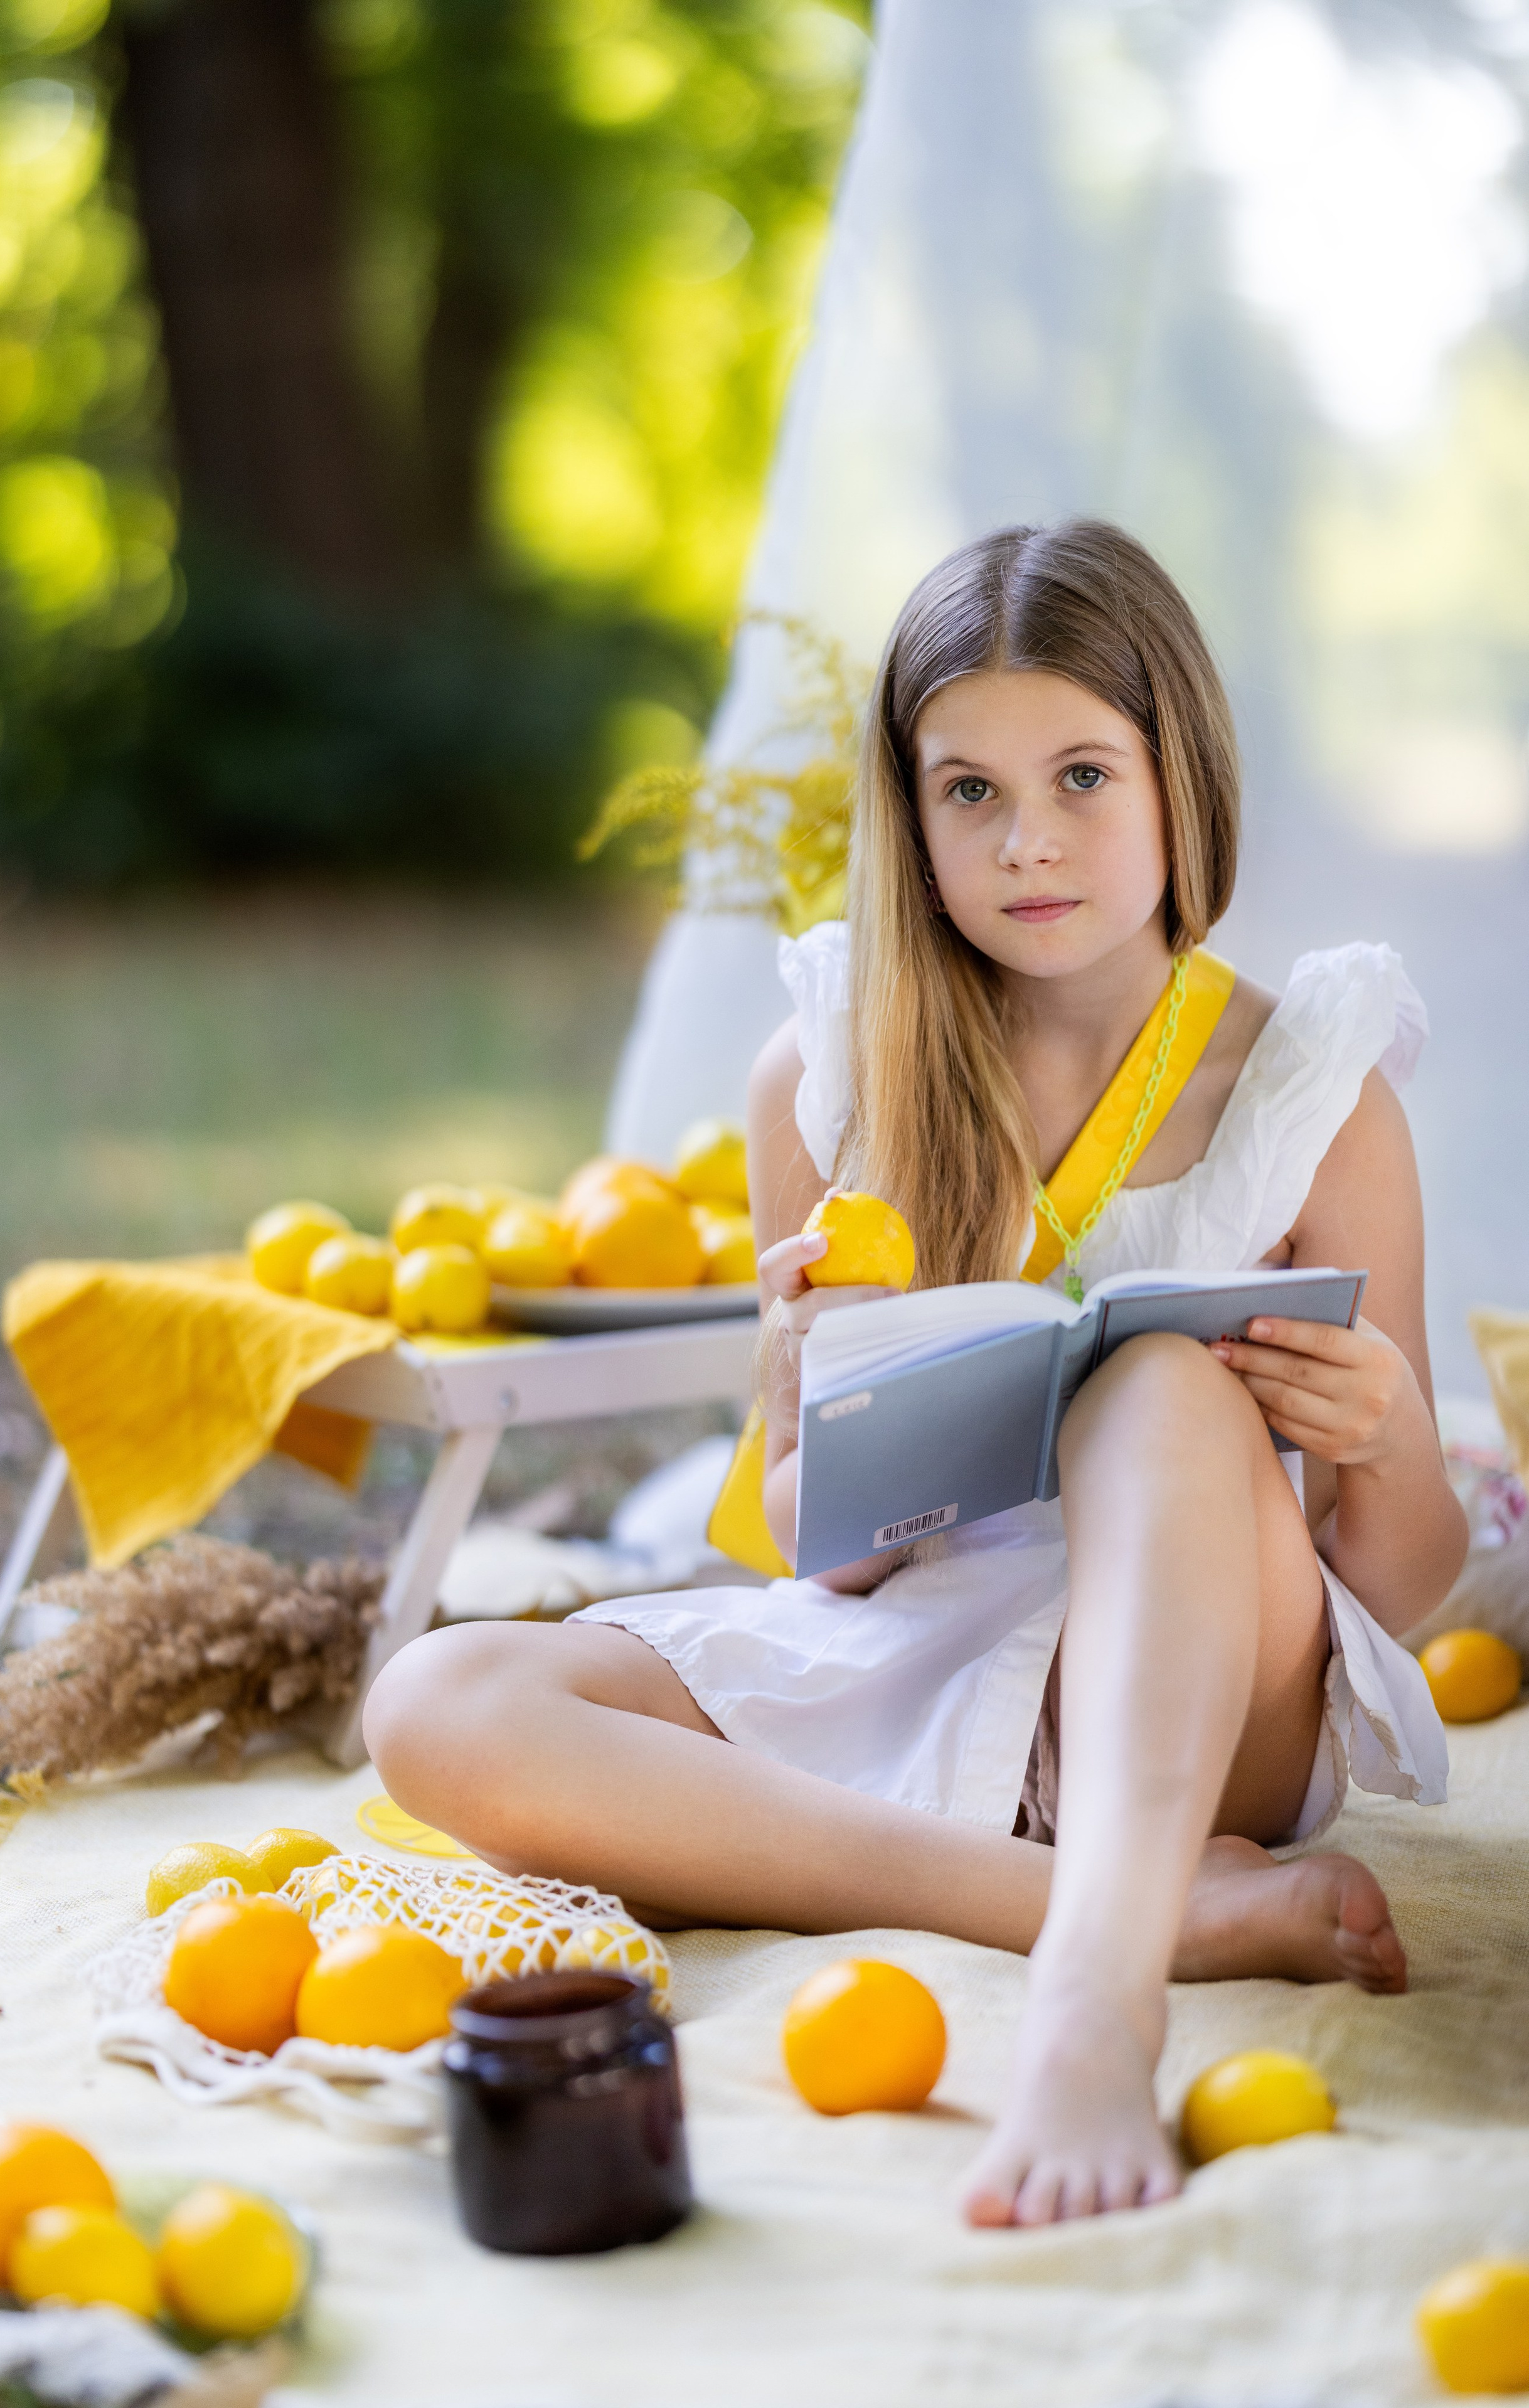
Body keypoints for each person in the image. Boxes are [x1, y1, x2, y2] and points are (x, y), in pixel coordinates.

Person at [365, 520, 1467, 2228]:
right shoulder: (830, 1072)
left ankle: (1097, 1999)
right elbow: (813, 1547)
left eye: (1084, 773)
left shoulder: (1312, 1084)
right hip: (917, 1649)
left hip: (1206, 1689)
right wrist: (807, 1384)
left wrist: (1385, 1436)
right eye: (969, 791)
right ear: (912, 809)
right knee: (434, 1705)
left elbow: (1397, 1583)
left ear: (1185, 774)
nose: (1028, 842)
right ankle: (1136, 1907)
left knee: (1161, 1391)